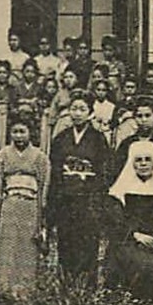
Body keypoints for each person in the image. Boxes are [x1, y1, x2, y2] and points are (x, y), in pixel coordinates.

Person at [0, 116, 51, 298]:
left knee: (28, 247)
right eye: (15, 132)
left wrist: (42, 214)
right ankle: (3, 291)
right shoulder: (1, 156)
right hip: (10, 205)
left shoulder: (40, 157)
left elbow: (45, 185)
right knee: (7, 246)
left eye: (23, 131)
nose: (19, 136)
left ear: (31, 133)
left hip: (30, 206)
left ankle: (26, 292)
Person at [48, 91, 112, 287]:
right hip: (65, 200)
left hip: (88, 201)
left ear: (91, 113)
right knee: (65, 245)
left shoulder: (98, 139)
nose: (77, 113)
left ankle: (86, 291)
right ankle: (65, 290)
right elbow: (55, 172)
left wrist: (98, 202)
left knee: (87, 247)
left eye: (82, 109)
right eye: (74, 109)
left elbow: (103, 173)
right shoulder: (61, 138)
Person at [104, 140, 153, 301]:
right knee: (132, 260)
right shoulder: (120, 191)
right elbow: (116, 221)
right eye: (138, 160)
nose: (143, 164)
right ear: (132, 163)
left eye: (148, 159)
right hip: (129, 240)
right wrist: (135, 234)